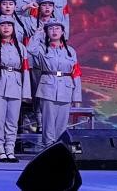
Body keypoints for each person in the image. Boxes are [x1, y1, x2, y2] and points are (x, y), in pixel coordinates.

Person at [0, 15, 32, 163]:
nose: (6, 28)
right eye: (3, 25)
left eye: (9, 25)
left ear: (14, 28)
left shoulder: (20, 47)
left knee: (12, 121)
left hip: (16, 84)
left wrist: (26, 92)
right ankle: (0, 149)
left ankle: (10, 149)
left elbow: (25, 70)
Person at [27, 20, 81, 149]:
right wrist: (38, 34)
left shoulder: (70, 51)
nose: (54, 31)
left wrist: (77, 97)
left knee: (62, 123)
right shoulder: (42, 48)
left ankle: (58, 148)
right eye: (51, 29)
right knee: (48, 122)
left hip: (66, 89)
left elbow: (76, 74)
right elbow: (30, 49)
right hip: (48, 88)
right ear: (46, 32)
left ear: (62, 32)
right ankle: (48, 148)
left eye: (57, 28)